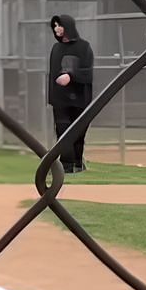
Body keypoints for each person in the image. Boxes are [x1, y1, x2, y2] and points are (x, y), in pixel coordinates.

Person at [48, 13, 94, 174]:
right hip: (61, 100)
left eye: (59, 25)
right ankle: (66, 166)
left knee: (78, 134)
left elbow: (88, 74)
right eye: (54, 26)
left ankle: (77, 163)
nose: (56, 29)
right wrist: (52, 98)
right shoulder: (56, 48)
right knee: (62, 130)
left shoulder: (84, 47)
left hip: (80, 99)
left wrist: (71, 76)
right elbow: (52, 75)